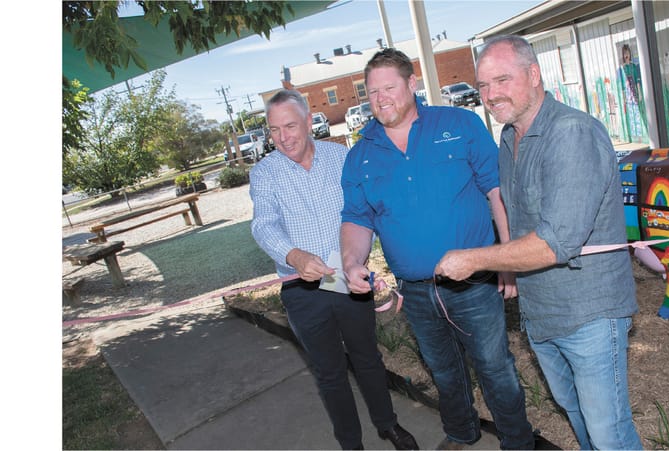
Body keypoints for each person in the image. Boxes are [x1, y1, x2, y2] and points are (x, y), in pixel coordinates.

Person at [435, 35, 642, 450]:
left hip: (590, 314)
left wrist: (477, 259)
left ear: (533, 75)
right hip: (542, 312)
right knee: (577, 411)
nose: (491, 94)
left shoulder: (571, 134)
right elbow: (516, 214)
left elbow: (554, 242)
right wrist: (509, 266)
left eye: (501, 80)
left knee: (608, 432)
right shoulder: (510, 139)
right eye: (483, 86)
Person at [339, 48, 535, 450]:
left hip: (474, 281)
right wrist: (350, 261)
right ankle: (461, 432)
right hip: (415, 290)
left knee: (495, 368)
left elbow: (497, 192)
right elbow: (357, 218)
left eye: (389, 87)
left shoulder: (459, 124)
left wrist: (510, 259)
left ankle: (518, 442)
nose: (381, 99)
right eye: (372, 92)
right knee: (444, 371)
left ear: (412, 84)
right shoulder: (359, 155)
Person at [249, 89, 418, 451]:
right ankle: (351, 444)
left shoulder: (341, 157)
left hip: (346, 275)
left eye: (291, 126)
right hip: (301, 288)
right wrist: (294, 256)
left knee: (368, 358)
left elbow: (364, 210)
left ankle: (387, 425)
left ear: (310, 122)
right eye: (274, 130)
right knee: (329, 373)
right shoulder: (264, 173)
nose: (283, 137)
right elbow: (263, 225)